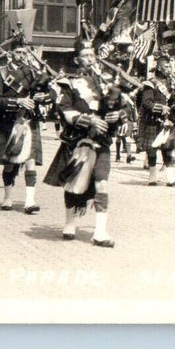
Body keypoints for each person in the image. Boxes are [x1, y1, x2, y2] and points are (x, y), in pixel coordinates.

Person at [44, 38, 118, 247]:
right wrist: (88, 119)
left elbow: (122, 104)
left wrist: (118, 115)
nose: (90, 59)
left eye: (92, 55)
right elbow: (64, 109)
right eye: (85, 56)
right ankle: (69, 222)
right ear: (77, 60)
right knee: (72, 184)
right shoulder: (68, 82)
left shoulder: (105, 81)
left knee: (102, 182)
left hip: (101, 141)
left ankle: (100, 232)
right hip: (77, 140)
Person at [0, 42, 53, 212]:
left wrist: (42, 97)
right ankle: (8, 197)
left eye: (24, 53)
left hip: (28, 121)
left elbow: (50, 94)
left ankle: (30, 201)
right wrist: (18, 101)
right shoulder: (0, 73)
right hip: (9, 121)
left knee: (30, 160)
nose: (22, 55)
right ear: (11, 53)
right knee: (10, 163)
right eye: (18, 52)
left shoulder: (33, 73)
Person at [137, 51, 175, 187]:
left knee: (168, 149)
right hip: (153, 120)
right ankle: (152, 177)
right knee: (152, 150)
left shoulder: (173, 84)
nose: (169, 69)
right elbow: (146, 103)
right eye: (166, 67)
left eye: (169, 67)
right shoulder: (150, 84)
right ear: (159, 67)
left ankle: (170, 178)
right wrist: (160, 108)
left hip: (168, 121)